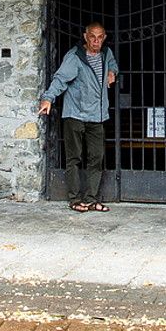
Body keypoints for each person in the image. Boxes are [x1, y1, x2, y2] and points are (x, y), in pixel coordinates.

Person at [38, 22, 118, 212]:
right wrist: (48, 98)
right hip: (75, 115)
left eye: (100, 37)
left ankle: (90, 199)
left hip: (97, 116)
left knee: (96, 158)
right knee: (74, 158)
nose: (96, 41)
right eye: (92, 37)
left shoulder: (107, 54)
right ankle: (74, 199)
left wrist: (112, 71)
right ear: (85, 36)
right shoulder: (75, 57)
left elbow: (113, 64)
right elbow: (60, 79)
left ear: (104, 37)